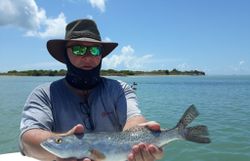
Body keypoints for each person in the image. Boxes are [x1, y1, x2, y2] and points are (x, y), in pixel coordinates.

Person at [19, 19, 164, 161]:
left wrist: (141, 139)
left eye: (94, 50)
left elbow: (134, 119)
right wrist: (64, 147)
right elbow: (27, 140)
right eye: (78, 49)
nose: (87, 57)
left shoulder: (120, 89)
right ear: (65, 54)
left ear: (100, 55)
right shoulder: (44, 94)